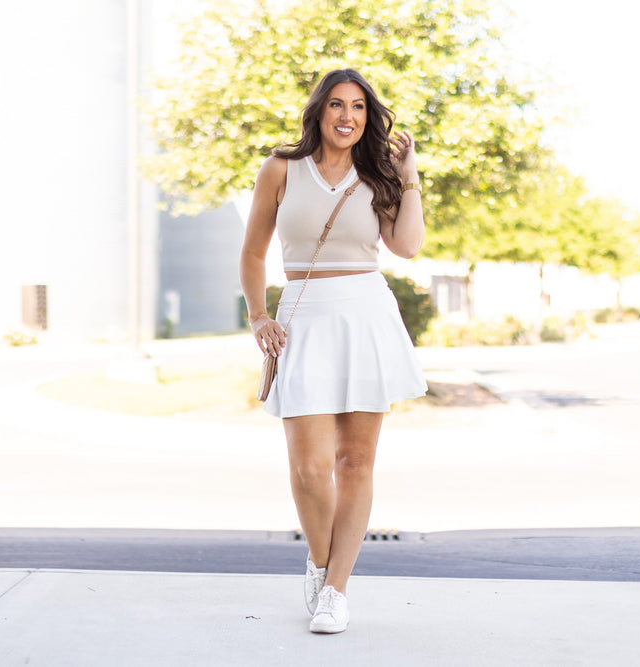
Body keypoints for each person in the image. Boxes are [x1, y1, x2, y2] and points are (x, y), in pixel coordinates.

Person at [239, 68, 428, 634]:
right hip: (303, 317)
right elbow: (253, 253)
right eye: (338, 105)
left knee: (355, 461)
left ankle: (336, 591)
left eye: (360, 107)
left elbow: (407, 245)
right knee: (309, 468)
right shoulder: (281, 168)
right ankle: (321, 565)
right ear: (319, 111)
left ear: (369, 118)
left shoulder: (377, 176)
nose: (348, 116)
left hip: (365, 316)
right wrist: (259, 316)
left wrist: (409, 176)